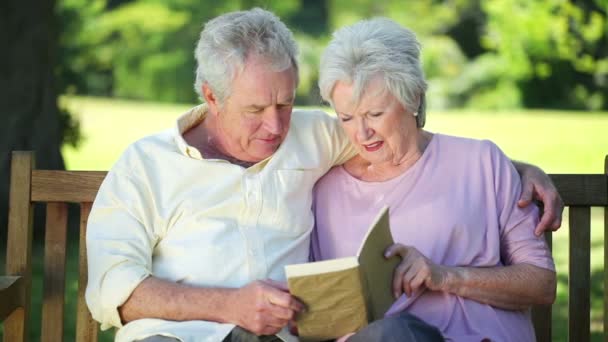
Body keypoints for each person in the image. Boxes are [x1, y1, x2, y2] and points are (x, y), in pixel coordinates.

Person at [85, 8, 561, 342]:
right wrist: (226, 305)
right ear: (211, 97)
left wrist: (517, 169)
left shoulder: (312, 136)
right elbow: (111, 291)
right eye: (255, 109)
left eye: (286, 103)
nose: (275, 126)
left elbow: (400, 138)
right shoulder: (145, 166)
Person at [312, 18, 557, 342]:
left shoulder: (481, 163)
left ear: (412, 98)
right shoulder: (324, 191)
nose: (361, 132)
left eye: (374, 114)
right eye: (346, 118)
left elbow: (541, 284)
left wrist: (445, 277)